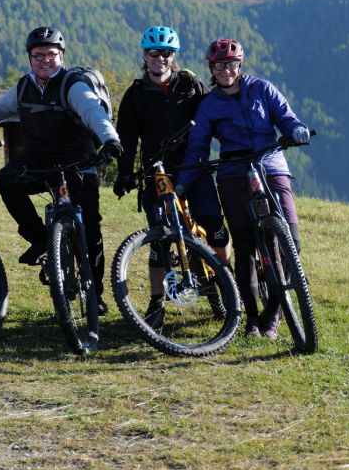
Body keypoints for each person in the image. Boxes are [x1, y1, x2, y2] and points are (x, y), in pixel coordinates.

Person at [0, 27, 122, 309]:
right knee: (6, 180)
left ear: (62, 55)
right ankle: (41, 240)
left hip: (78, 162)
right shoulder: (23, 87)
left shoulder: (72, 84)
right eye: (38, 55)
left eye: (51, 54)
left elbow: (93, 111)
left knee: (90, 229)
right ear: (29, 57)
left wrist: (110, 138)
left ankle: (96, 293)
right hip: (41, 162)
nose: (44, 60)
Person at [175, 38, 311, 338]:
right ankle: (251, 320)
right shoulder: (209, 104)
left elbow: (286, 118)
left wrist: (296, 130)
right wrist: (183, 182)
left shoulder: (262, 89)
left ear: (241, 64)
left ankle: (273, 313)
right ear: (212, 68)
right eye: (220, 65)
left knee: (292, 241)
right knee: (245, 247)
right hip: (233, 172)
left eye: (232, 64)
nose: (227, 70)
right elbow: (198, 147)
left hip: (271, 163)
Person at [113, 26, 230, 324]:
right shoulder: (136, 95)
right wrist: (125, 173)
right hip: (157, 174)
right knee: (160, 240)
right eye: (154, 53)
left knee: (215, 227)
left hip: (193, 167)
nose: (160, 59)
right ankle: (157, 303)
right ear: (144, 55)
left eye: (165, 53)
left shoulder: (190, 84)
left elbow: (212, 117)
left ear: (173, 56)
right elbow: (127, 138)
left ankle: (227, 287)